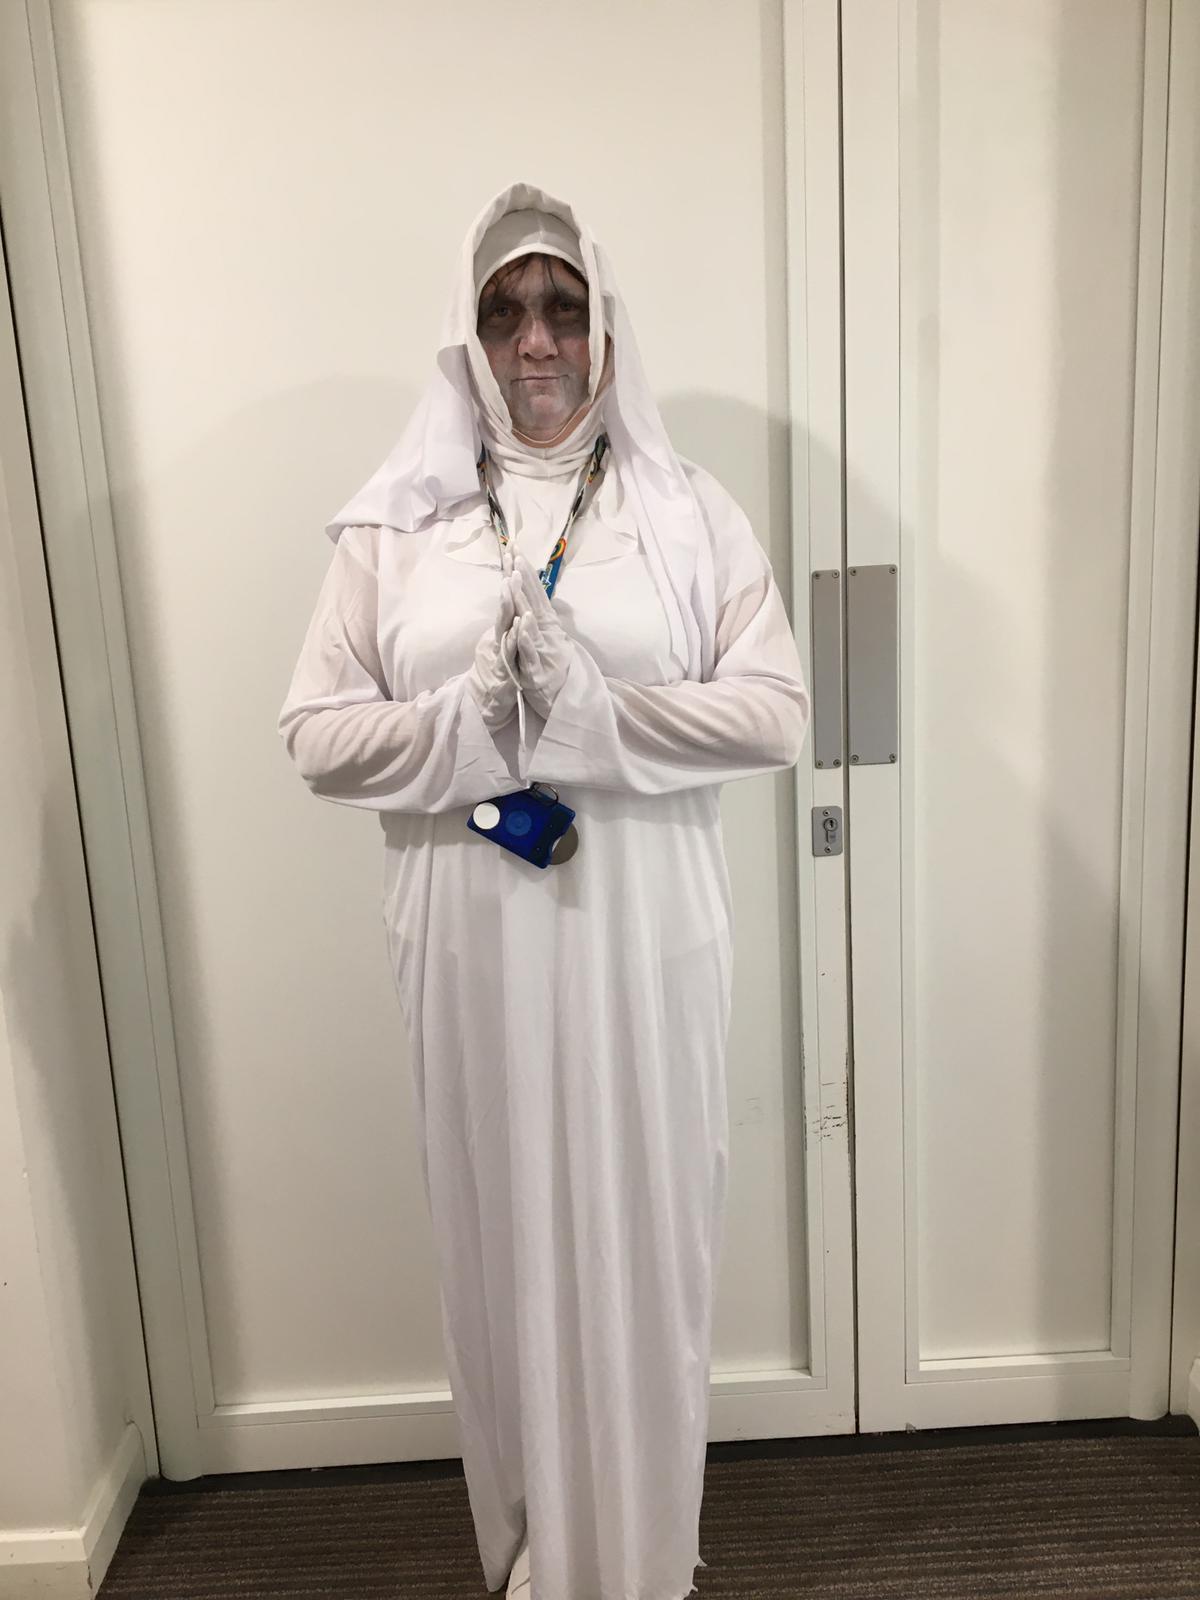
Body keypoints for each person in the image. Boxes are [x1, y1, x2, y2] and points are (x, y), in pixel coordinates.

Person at [277, 181, 812, 1600]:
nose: (536, 341)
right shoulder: (400, 527)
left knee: (645, 1238)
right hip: (468, 944)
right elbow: (315, 736)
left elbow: (776, 713)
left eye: (562, 308)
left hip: (646, 937)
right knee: (499, 1239)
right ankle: (527, 1556)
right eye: (506, 310)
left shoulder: (685, 513)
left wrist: (594, 716)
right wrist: (463, 724)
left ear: (605, 326)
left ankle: (637, 1557)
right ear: (468, 334)